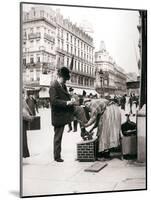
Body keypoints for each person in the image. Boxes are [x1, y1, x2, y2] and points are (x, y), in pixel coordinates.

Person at [49, 67, 76, 162]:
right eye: (64, 79)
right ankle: (57, 157)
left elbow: (65, 96)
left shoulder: (63, 86)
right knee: (58, 137)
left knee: (59, 136)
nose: (65, 81)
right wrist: (66, 103)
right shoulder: (53, 86)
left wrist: (70, 99)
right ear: (60, 77)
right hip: (57, 115)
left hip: (63, 114)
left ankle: (57, 155)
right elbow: (54, 101)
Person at [22, 89, 34, 158]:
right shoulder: (21, 100)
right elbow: (23, 113)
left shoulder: (23, 100)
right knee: (22, 138)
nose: (25, 95)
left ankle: (24, 153)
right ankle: (23, 153)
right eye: (24, 93)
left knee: (23, 138)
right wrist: (30, 118)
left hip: (23, 122)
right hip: (22, 122)